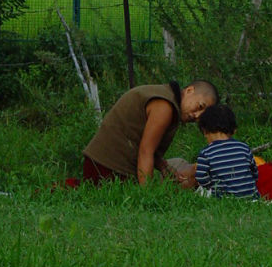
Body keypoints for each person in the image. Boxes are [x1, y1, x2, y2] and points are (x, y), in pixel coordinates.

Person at [81, 79, 219, 186]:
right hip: (107, 169)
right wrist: (148, 196)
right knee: (184, 182)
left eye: (202, 114)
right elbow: (145, 151)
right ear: (189, 90)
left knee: (180, 169)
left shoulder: (166, 95)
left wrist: (163, 167)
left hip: (99, 163)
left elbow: (141, 143)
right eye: (200, 106)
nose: (197, 115)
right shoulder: (165, 106)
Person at [194, 103, 259, 200]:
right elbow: (254, 173)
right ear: (234, 130)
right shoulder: (244, 147)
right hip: (251, 198)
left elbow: (201, 178)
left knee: (200, 192)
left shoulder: (206, 153)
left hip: (223, 199)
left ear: (204, 131)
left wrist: (210, 186)